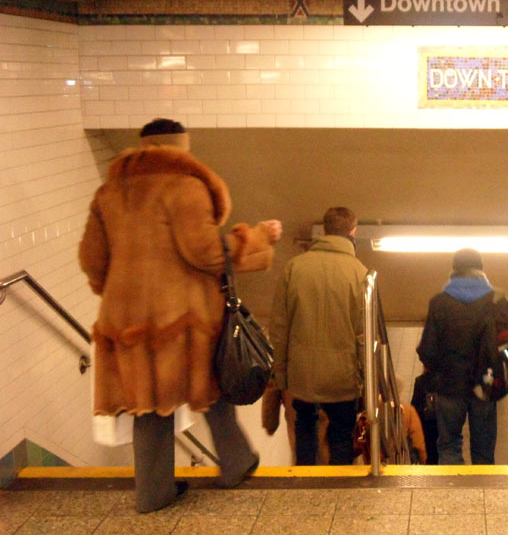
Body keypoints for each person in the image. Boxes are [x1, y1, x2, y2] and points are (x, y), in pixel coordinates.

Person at [79, 118, 282, 513]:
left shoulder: (108, 193)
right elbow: (205, 252)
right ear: (180, 147)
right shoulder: (184, 187)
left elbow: (92, 260)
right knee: (210, 386)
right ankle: (237, 461)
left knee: (149, 404)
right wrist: (257, 238)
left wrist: (124, 294)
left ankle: (153, 493)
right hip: (182, 317)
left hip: (126, 321)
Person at [269, 207, 367, 466]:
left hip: (302, 375)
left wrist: (281, 376)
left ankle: (306, 488)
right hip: (343, 376)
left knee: (304, 431)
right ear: (353, 232)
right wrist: (366, 379)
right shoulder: (360, 273)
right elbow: (363, 335)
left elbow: (279, 328)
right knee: (342, 436)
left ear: (323, 231)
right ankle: (339, 490)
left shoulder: (294, 268)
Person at [417, 248, 508, 465]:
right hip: (486, 385)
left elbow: (428, 349)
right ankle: (483, 495)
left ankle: (453, 495)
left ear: (454, 270)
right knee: (484, 450)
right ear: (481, 270)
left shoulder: (439, 302)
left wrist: (434, 374)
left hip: (448, 386)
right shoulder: (497, 300)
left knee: (449, 445)